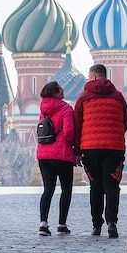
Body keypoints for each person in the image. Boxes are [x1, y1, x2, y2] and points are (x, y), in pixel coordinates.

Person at [74, 64, 127, 238]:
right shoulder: (118, 97)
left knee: (95, 186)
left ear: (94, 77)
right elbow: (125, 121)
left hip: (90, 149)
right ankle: (112, 222)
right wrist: (115, 135)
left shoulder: (83, 97)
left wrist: (77, 150)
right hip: (114, 148)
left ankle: (96, 224)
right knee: (112, 186)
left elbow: (77, 125)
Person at [36, 81, 78, 236]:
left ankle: (43, 224)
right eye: (60, 89)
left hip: (43, 155)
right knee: (66, 190)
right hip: (62, 155)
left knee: (48, 189)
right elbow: (68, 131)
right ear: (55, 92)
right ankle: (61, 224)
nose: (63, 90)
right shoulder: (66, 108)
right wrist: (74, 145)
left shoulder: (43, 109)